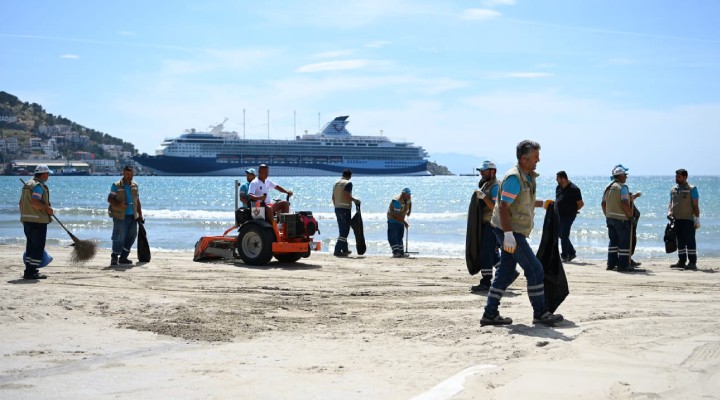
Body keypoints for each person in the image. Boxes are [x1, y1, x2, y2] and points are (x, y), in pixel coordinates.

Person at [480, 140, 563, 327]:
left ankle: (490, 314)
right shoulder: (514, 178)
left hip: (511, 230)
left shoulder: (527, 176)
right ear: (524, 158)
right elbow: (503, 207)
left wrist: (543, 204)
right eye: (535, 157)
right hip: (510, 231)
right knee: (535, 269)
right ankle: (540, 313)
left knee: (506, 272)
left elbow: (521, 202)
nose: (538, 160)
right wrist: (508, 235)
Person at [19, 164, 54, 280]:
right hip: (37, 221)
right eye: (48, 174)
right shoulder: (38, 186)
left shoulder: (28, 184)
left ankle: (29, 270)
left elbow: (21, 203)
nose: (48, 176)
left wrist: (24, 216)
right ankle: (31, 272)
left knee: (31, 246)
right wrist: (47, 209)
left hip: (27, 220)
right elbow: (35, 202)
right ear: (44, 174)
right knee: (38, 247)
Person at [601, 164, 637, 272]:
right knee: (624, 242)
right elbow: (625, 203)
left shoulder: (607, 188)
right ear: (620, 175)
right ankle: (623, 265)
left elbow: (603, 204)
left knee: (613, 242)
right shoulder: (622, 188)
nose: (626, 177)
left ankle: (611, 264)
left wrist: (607, 215)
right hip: (622, 219)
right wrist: (631, 216)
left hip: (610, 218)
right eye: (625, 175)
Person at [470, 160, 500, 292]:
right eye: (481, 171)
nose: (481, 173)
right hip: (486, 224)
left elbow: (496, 207)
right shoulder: (487, 184)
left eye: (484, 171)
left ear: (492, 172)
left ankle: (486, 282)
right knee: (491, 254)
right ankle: (508, 272)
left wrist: (483, 197)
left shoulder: (496, 187)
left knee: (485, 253)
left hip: (491, 224)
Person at [108, 165, 143, 266]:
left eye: (131, 174)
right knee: (119, 237)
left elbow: (137, 200)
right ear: (123, 173)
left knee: (131, 237)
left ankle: (123, 257)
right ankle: (114, 257)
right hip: (120, 216)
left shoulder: (135, 185)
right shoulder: (116, 185)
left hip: (133, 216)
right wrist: (119, 205)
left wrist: (140, 214)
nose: (130, 176)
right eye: (127, 174)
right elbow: (110, 199)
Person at [668, 168, 700, 270]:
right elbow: (671, 203)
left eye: (679, 177)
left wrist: (697, 219)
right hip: (676, 220)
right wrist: (669, 213)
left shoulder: (692, 189)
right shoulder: (673, 189)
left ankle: (692, 262)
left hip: (688, 219)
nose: (676, 178)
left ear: (685, 177)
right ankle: (681, 261)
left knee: (690, 241)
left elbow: (695, 205)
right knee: (680, 241)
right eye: (676, 176)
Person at [555, 171, 584, 262]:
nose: (556, 180)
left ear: (563, 178)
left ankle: (565, 256)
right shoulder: (558, 187)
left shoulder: (574, 189)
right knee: (560, 234)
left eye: (558, 178)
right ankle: (571, 252)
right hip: (559, 215)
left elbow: (580, 204)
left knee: (564, 234)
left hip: (569, 215)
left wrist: (574, 210)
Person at [332, 169, 361, 257]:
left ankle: (345, 249)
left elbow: (333, 197)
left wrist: (336, 206)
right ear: (350, 176)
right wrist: (355, 200)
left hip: (337, 208)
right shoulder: (348, 183)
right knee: (345, 231)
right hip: (345, 209)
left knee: (342, 229)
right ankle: (337, 250)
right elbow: (346, 194)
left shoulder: (336, 183)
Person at [387, 187, 412, 258]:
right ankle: (395, 252)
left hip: (401, 219)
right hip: (393, 219)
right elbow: (396, 215)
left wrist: (409, 211)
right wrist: (405, 223)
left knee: (400, 237)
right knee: (392, 237)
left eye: (410, 194)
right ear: (403, 194)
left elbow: (410, 202)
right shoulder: (397, 201)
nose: (409, 196)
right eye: (408, 194)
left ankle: (401, 252)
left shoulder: (408, 198)